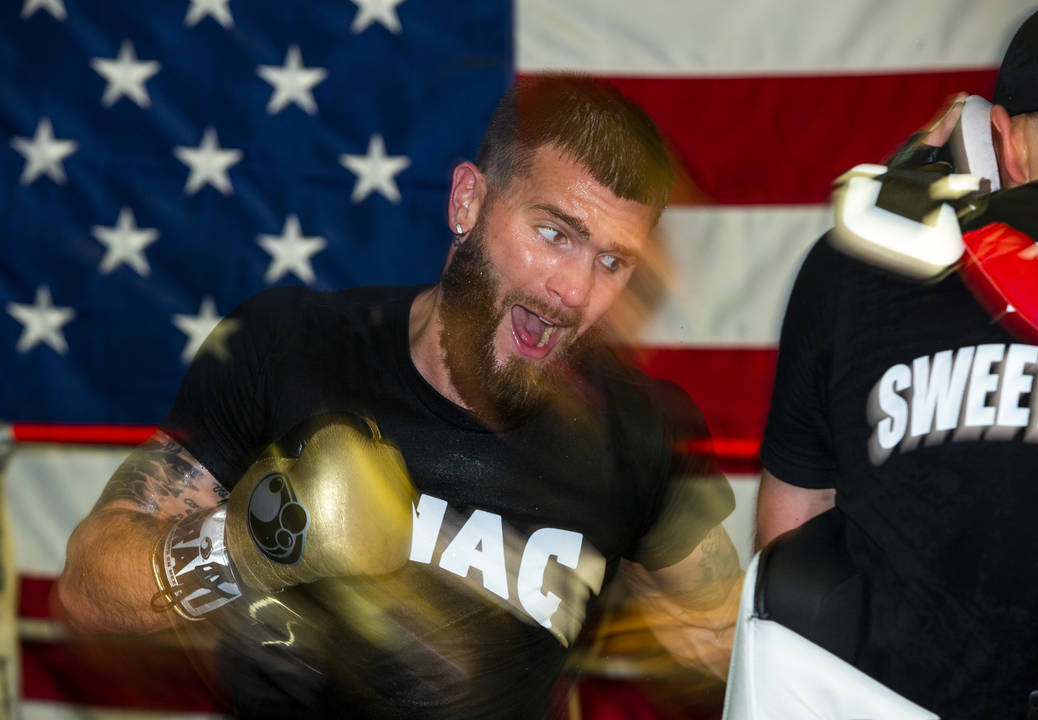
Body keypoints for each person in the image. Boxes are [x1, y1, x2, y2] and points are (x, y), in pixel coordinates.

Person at [56, 76, 741, 719]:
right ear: (467, 201)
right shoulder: (291, 348)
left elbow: (723, 644)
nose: (576, 292)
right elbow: (87, 592)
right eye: (554, 234)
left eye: (613, 262)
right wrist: (245, 546)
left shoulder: (637, 434)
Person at [755, 5, 1038, 718]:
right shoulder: (855, 267)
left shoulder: (851, 265)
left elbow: (792, 542)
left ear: (1001, 141)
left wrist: (905, 187)